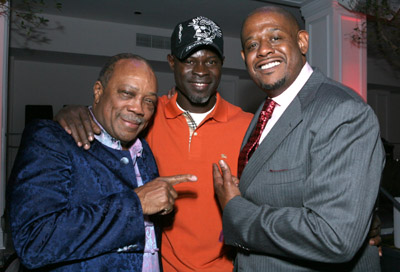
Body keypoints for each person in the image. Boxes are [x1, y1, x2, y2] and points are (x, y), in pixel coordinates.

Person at [55, 17, 253, 271]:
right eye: (190, 60)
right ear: (172, 62)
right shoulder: (146, 114)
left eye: (211, 61)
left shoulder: (248, 126)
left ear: (222, 65)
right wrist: (74, 114)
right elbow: (106, 120)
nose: (201, 70)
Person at [212, 6, 385, 271]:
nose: (264, 50)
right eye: (252, 44)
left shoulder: (342, 111)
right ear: (244, 56)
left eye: (275, 37)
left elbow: (334, 236)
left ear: (302, 41)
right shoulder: (266, 110)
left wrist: (235, 209)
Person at [8, 53, 197, 271]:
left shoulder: (143, 150)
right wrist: (137, 204)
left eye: (149, 101)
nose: (139, 109)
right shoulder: (52, 139)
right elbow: (34, 241)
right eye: (127, 93)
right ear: (98, 92)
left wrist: (163, 207)